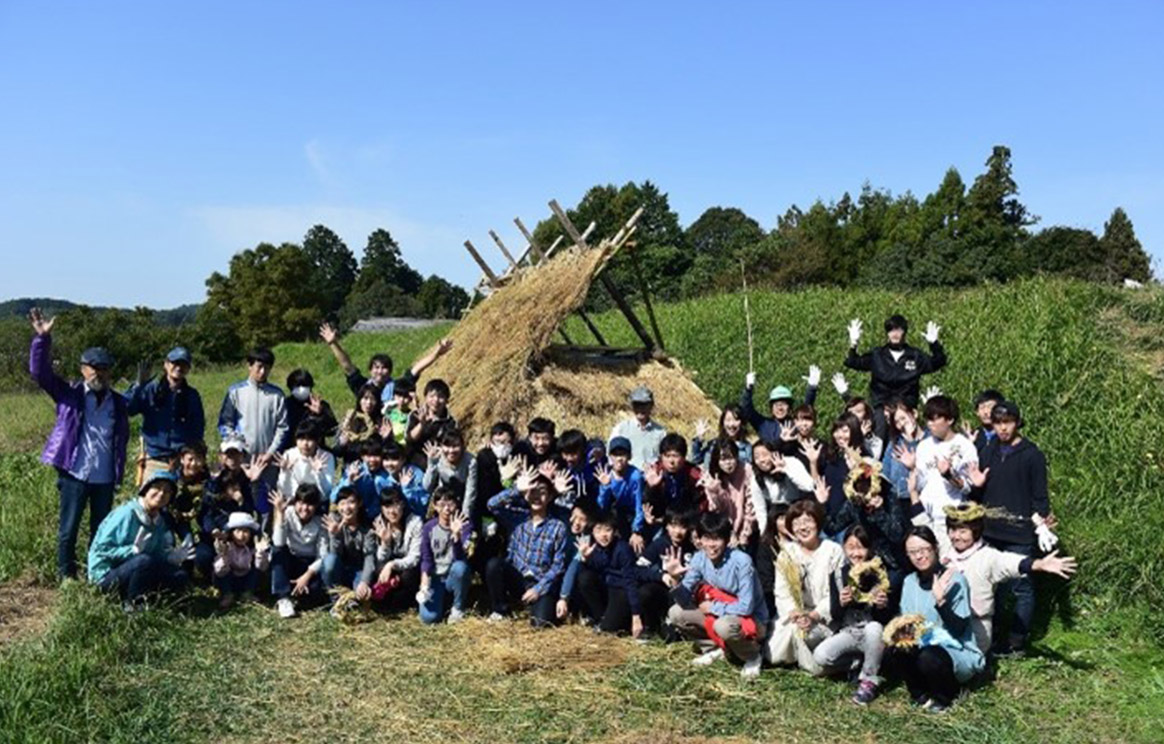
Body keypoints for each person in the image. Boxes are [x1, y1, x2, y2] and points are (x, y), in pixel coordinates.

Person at [28, 307, 130, 580]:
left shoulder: (118, 402)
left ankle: (95, 574)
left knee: (101, 529)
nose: (99, 374)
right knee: (68, 529)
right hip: (74, 472)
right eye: (94, 369)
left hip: (104, 476)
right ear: (83, 370)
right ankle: (66, 577)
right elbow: (40, 373)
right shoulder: (68, 393)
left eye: (105, 369)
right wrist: (42, 339)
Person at [966, 400, 1063, 655]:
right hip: (990, 530)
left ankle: (1017, 640)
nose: (1002, 428)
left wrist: (1041, 523)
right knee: (991, 584)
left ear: (1017, 422)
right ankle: (993, 633)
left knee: (1022, 587)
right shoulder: (989, 450)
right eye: (998, 423)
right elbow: (979, 486)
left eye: (1007, 422)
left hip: (1019, 532)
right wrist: (975, 486)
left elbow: (1040, 496)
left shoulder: (1032, 454)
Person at [942, 502, 1077, 654]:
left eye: (962, 531)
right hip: (946, 622)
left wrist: (1039, 564)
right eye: (952, 530)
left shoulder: (987, 556)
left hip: (974, 630)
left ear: (975, 531)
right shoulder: (946, 553)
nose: (956, 536)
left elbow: (1010, 562)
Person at [884, 525, 985, 713]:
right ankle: (919, 693)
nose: (919, 556)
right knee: (897, 649)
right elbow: (907, 622)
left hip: (955, 650)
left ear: (935, 548)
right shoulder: (909, 582)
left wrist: (941, 601)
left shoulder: (955, 581)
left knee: (928, 657)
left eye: (924, 550)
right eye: (912, 552)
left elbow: (959, 629)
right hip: (922, 645)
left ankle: (946, 696)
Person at [668, 511, 768, 679]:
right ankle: (716, 649)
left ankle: (752, 656)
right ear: (699, 539)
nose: (711, 545)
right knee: (676, 613)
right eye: (706, 538)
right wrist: (675, 579)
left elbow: (746, 607)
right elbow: (684, 599)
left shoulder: (741, 561)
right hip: (719, 613)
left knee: (723, 626)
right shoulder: (699, 559)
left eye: (717, 539)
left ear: (727, 540)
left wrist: (714, 607)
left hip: (752, 619)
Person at [811, 525, 894, 705]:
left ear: (869, 548)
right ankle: (858, 663)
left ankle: (869, 680)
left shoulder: (880, 573)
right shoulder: (838, 575)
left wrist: (882, 605)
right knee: (821, 656)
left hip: (875, 634)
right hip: (849, 631)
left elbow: (887, 618)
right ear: (843, 547)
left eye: (861, 547)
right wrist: (841, 603)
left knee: (873, 628)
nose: (856, 553)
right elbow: (835, 615)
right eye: (851, 547)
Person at [87, 473, 194, 608]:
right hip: (107, 575)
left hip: (138, 570)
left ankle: (156, 601)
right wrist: (131, 550)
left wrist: (170, 557)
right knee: (143, 561)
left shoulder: (158, 520)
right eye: (157, 488)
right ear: (146, 490)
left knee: (179, 575)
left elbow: (156, 553)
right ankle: (133, 605)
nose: (161, 494)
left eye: (167, 492)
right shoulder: (126, 514)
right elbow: (101, 550)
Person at [766, 500, 844, 673]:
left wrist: (814, 615)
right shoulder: (787, 553)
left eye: (808, 521)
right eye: (796, 524)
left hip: (823, 618)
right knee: (774, 655)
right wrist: (794, 612)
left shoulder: (833, 550)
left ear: (818, 522)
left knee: (809, 649)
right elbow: (781, 591)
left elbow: (835, 593)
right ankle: (801, 653)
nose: (802, 527)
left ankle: (815, 661)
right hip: (796, 616)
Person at [485, 470, 569, 627]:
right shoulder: (517, 518)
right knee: (493, 564)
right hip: (518, 577)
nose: (537, 496)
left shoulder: (558, 527)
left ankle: (533, 605)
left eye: (542, 492)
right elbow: (491, 505)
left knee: (540, 624)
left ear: (550, 497)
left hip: (540, 582)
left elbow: (558, 566)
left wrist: (538, 589)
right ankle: (500, 610)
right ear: (526, 495)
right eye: (533, 491)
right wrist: (517, 489)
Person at [843, 314, 947, 439]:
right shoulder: (878, 355)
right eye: (891, 330)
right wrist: (853, 343)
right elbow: (852, 362)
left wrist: (934, 344)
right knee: (879, 435)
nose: (895, 334)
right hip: (882, 409)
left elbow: (938, 362)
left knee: (909, 437)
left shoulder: (915, 356)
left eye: (898, 330)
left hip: (906, 408)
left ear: (904, 332)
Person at [901, 395, 978, 557]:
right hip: (926, 518)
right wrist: (911, 468)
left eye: (935, 419)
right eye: (927, 419)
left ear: (949, 420)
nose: (930, 424)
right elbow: (921, 483)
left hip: (950, 521)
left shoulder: (964, 446)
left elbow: (968, 487)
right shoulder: (924, 446)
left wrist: (948, 475)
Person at [319, 321, 452, 404]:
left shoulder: (398, 387)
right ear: (370, 370)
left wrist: (437, 353)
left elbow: (417, 368)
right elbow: (347, 365)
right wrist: (333, 343)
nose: (380, 371)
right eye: (376, 367)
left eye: (384, 368)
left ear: (390, 371)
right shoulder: (362, 386)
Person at [125, 346, 205, 481]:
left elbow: (197, 427)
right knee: (152, 499)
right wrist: (138, 386)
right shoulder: (151, 389)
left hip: (181, 461)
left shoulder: (192, 395)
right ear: (166, 365)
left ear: (188, 369)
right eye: (175, 363)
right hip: (154, 459)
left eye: (184, 364)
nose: (179, 368)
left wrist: (193, 456)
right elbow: (128, 409)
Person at [823, 458, 907, 588]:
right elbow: (832, 528)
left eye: (867, 482)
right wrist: (824, 504)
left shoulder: (889, 498)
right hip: (864, 563)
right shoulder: (854, 503)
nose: (863, 487)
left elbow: (897, 535)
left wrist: (879, 512)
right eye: (859, 483)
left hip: (892, 565)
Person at [217, 347, 289, 489]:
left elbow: (283, 427)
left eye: (267, 368)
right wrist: (238, 447)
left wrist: (270, 453)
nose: (262, 372)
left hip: (266, 460)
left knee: (265, 501)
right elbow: (225, 423)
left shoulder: (277, 395)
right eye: (259, 367)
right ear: (249, 366)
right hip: (240, 459)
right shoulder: (235, 392)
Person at [574, 511, 643, 637]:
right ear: (593, 532)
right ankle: (600, 617)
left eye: (607, 530)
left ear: (614, 531)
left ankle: (613, 622)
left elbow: (630, 581)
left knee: (608, 631)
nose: (603, 535)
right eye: (598, 530)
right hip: (606, 588)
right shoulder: (594, 548)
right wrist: (585, 559)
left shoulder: (623, 549)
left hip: (620, 590)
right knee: (585, 578)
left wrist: (636, 616)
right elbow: (586, 578)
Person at [633, 504, 697, 637]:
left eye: (683, 527)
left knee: (673, 636)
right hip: (663, 591)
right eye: (673, 526)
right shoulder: (659, 544)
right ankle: (650, 627)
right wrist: (661, 576)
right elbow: (637, 569)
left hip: (685, 594)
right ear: (666, 526)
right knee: (645, 592)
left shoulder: (693, 547)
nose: (677, 531)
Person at [270, 484, 328, 618]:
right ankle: (283, 598)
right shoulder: (288, 512)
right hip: (290, 558)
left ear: (316, 506)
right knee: (277, 551)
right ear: (295, 502)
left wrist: (306, 576)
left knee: (313, 593)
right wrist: (280, 514)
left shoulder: (321, 521)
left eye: (310, 504)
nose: (305, 509)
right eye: (301, 503)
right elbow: (279, 542)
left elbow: (322, 555)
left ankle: (297, 592)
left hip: (309, 564)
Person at [417, 487, 473, 625]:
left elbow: (461, 558)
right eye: (442, 505)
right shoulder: (428, 528)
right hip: (435, 578)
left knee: (460, 567)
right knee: (428, 618)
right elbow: (426, 557)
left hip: (452, 576)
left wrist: (456, 537)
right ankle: (442, 601)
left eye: (451, 504)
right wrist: (424, 581)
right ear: (435, 506)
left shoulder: (465, 525)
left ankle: (457, 607)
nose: (447, 509)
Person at [321, 487, 376, 615]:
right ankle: (336, 602)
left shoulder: (367, 528)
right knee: (329, 561)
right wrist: (335, 535)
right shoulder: (333, 521)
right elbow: (335, 555)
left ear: (359, 504)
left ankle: (351, 601)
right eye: (342, 503)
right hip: (339, 569)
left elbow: (369, 557)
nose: (347, 507)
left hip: (358, 570)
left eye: (351, 502)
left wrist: (364, 582)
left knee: (362, 594)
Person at [368, 487, 423, 611]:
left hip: (407, 567)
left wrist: (392, 565)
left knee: (409, 574)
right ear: (382, 508)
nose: (392, 511)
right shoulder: (379, 523)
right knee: (378, 568)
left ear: (402, 504)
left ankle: (403, 602)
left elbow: (414, 557)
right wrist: (385, 542)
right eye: (387, 507)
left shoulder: (415, 523)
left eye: (396, 505)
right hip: (389, 568)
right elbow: (381, 558)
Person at [740, 365, 820, 449]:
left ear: (789, 407)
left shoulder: (795, 423)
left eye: (783, 404)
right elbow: (746, 410)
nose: (780, 408)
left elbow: (806, 408)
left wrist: (812, 388)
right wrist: (748, 389)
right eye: (776, 405)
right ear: (771, 408)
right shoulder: (763, 424)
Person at [699, 438, 756, 549]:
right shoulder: (711, 476)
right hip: (722, 530)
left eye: (731, 457)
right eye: (723, 459)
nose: (728, 463)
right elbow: (717, 510)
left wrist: (744, 535)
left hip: (746, 527)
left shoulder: (747, 470)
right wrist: (716, 491)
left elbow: (750, 505)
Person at [595, 436, 646, 550]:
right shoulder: (606, 474)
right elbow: (601, 505)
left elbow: (639, 504)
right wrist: (605, 486)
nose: (619, 459)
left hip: (631, 515)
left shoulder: (635, 476)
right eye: (615, 455)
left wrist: (637, 530)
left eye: (623, 455)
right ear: (610, 457)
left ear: (629, 457)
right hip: (614, 514)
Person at [212, 511, 269, 610]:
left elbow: (262, 567)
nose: (241, 535)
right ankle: (227, 595)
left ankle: (248, 593)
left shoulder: (253, 548)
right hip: (230, 579)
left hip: (245, 578)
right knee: (221, 572)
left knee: (255, 571)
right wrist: (223, 555)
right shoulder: (227, 547)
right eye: (237, 531)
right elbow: (219, 571)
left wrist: (260, 553)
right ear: (231, 533)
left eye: (245, 531)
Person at [422, 429, 478, 527]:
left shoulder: (470, 461)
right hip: (443, 498)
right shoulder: (438, 456)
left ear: (462, 446)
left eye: (455, 446)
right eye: (447, 446)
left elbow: (471, 490)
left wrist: (464, 516)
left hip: (462, 498)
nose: (451, 451)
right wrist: (431, 463)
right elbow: (427, 486)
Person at [609, 385, 667, 469]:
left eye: (644, 405)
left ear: (651, 405)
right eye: (637, 405)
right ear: (632, 406)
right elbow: (610, 456)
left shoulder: (660, 432)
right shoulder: (621, 429)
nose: (640, 409)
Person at [276, 422, 336, 502]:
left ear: (317, 441)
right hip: (295, 502)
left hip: (317, 502)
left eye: (310, 439)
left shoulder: (326, 457)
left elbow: (327, 493)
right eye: (301, 439)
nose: (305, 444)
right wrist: (285, 472)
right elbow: (284, 490)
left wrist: (319, 473)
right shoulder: (289, 455)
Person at [283, 368, 338, 448]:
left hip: (316, 452)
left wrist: (320, 414)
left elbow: (332, 431)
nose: (301, 389)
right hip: (291, 452)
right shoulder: (284, 405)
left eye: (304, 385)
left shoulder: (321, 405)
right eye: (297, 386)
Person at [334, 383, 383, 464]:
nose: (369, 403)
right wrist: (342, 444)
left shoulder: (381, 422)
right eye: (365, 398)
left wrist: (385, 438)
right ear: (359, 400)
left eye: (373, 399)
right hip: (351, 466)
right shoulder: (349, 420)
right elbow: (337, 453)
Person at [407, 378, 458, 455]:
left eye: (441, 397)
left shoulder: (450, 422)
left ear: (446, 400)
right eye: (432, 396)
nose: (436, 400)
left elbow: (450, 445)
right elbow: (410, 439)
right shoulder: (415, 414)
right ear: (425, 397)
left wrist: (437, 451)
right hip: (415, 458)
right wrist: (421, 424)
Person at [556, 429, 598, 510]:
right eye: (565, 454)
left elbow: (596, 445)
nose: (569, 458)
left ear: (582, 451)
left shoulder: (593, 465)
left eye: (573, 454)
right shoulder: (560, 468)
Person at [968, 389, 1005, 455]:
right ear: (977, 412)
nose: (986, 412)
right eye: (982, 407)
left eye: (990, 407)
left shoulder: (1006, 436)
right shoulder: (972, 436)